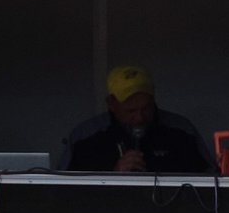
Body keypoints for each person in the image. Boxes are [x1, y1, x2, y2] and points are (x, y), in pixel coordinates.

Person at [64, 65, 213, 174]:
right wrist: (112, 175)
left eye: (146, 108)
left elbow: (212, 181)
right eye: (131, 111)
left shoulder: (182, 131)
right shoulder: (85, 138)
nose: (139, 118)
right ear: (111, 104)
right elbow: (62, 190)